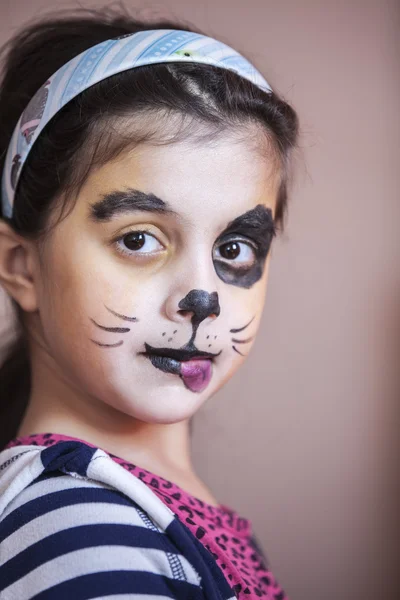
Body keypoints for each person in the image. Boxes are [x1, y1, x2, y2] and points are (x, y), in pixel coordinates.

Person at [0, 5, 299, 600]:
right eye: (139, 239)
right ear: (20, 265)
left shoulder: (140, 507)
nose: (202, 299)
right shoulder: (77, 525)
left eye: (235, 247)